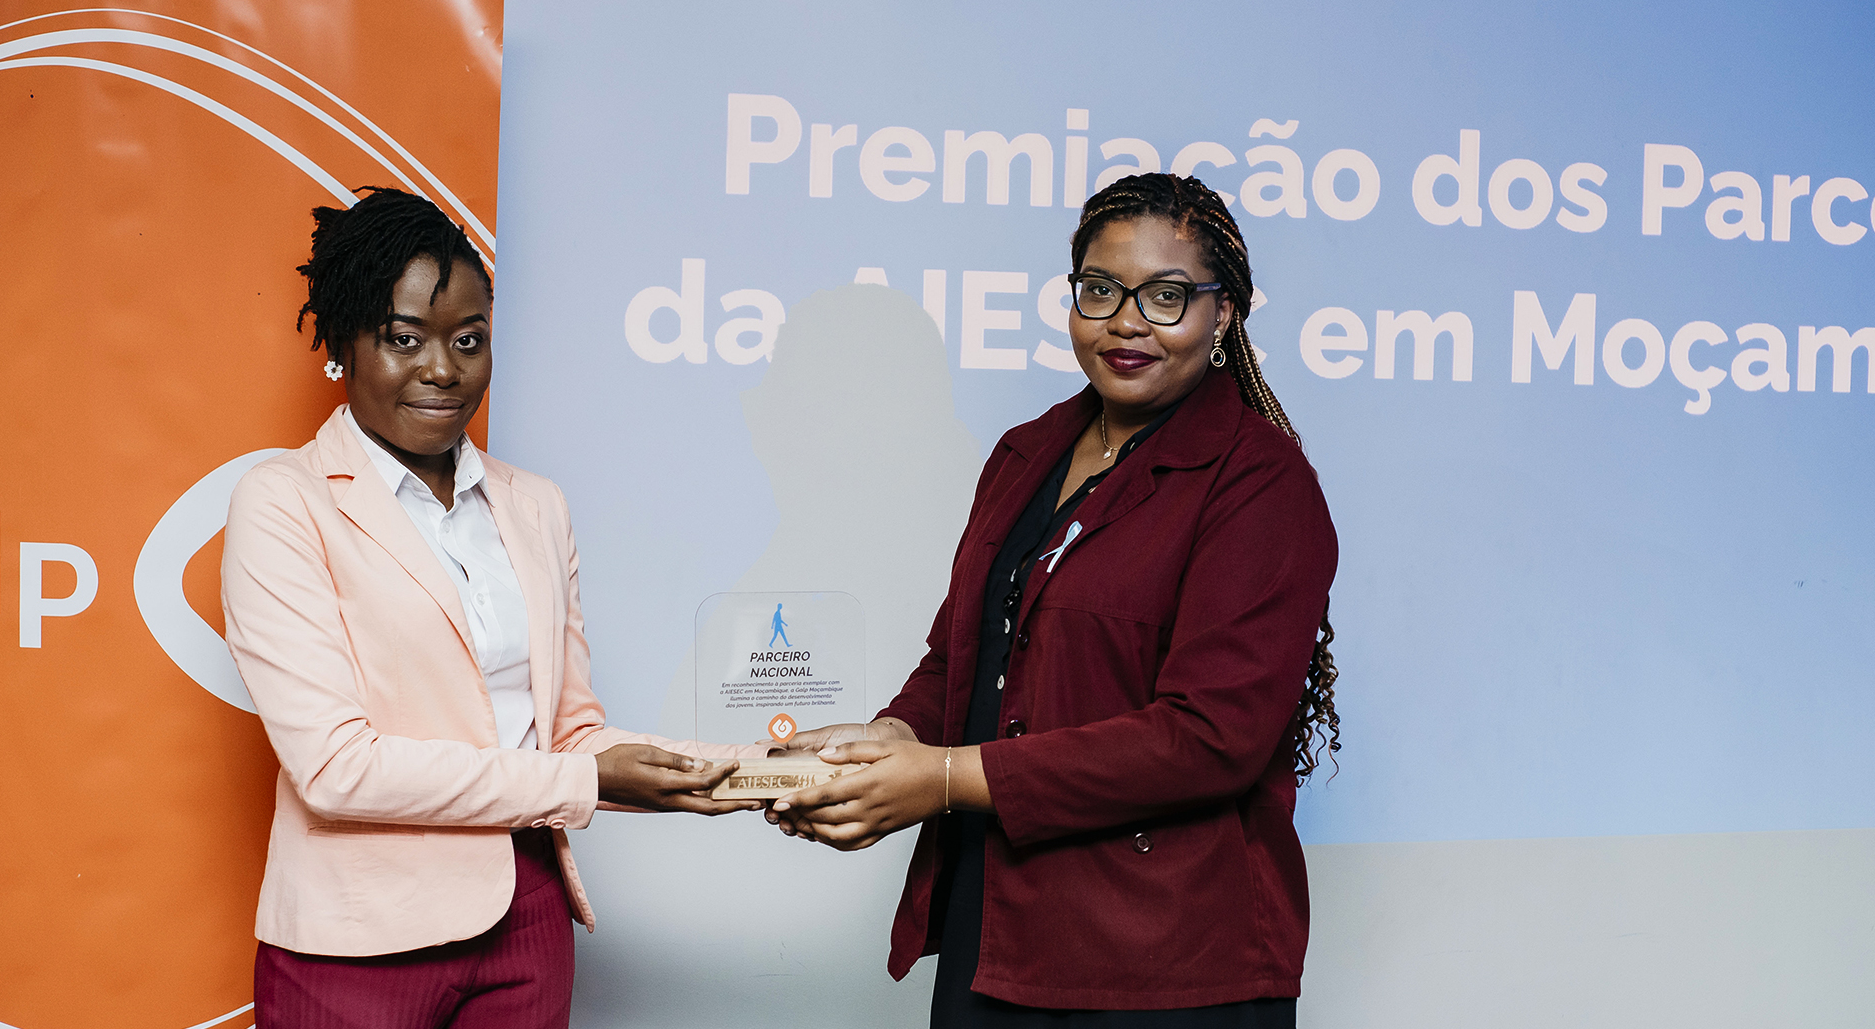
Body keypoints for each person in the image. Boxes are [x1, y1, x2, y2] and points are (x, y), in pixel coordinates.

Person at [768, 172, 1341, 1027]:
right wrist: (889, 740)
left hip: (1170, 964)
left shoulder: (1261, 483)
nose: (1126, 321)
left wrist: (947, 777)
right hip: (997, 926)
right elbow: (961, 655)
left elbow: (1210, 738)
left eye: (1168, 295)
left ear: (1225, 315)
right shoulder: (1026, 452)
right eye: (1101, 290)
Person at [221, 187, 765, 1029]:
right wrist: (579, 781)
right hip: (356, 946)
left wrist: (768, 772)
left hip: (527, 926)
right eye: (405, 339)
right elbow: (334, 769)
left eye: (468, 341)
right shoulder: (284, 502)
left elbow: (575, 736)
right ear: (342, 344)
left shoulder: (535, 506)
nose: (442, 369)